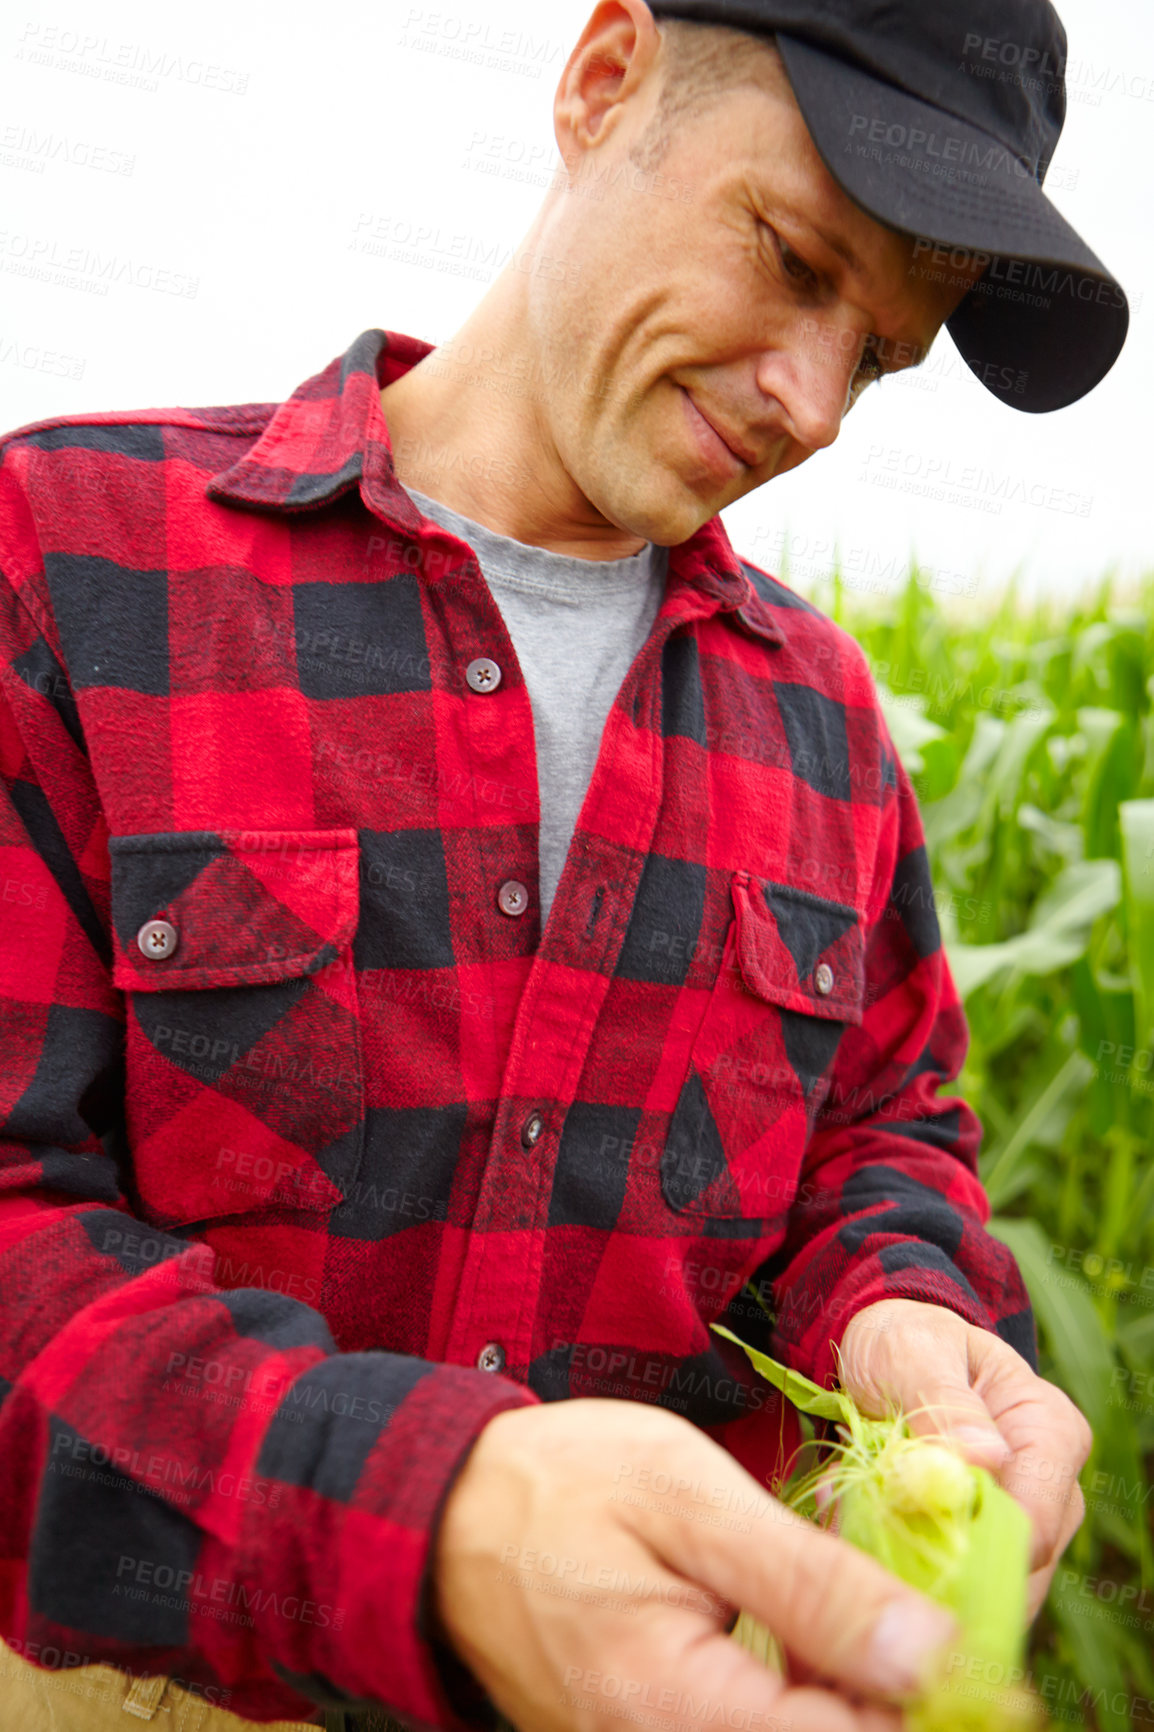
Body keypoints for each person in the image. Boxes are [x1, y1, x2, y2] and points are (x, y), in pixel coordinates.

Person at [0, 1, 1127, 1729]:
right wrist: (430, 1518)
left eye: (880, 356)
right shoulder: (69, 561)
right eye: (792, 257)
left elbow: (879, 1136)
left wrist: (898, 1308)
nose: (813, 402)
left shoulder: (822, 718)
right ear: (602, 83)